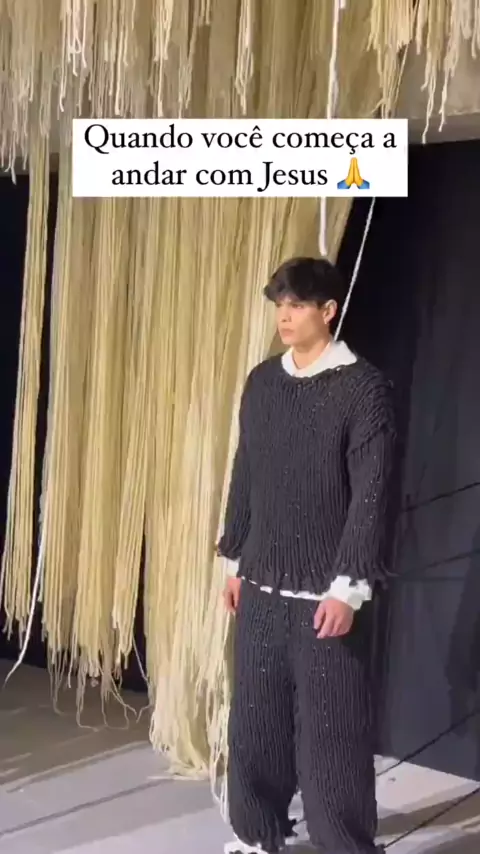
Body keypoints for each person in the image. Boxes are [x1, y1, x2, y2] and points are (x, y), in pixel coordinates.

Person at [217, 256, 397, 854]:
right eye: (279, 305)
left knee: (332, 736)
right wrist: (235, 560)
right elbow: (247, 473)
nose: (285, 317)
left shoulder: (363, 389)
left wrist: (348, 587)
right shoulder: (262, 383)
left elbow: (372, 494)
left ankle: (343, 844)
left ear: (328, 310)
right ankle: (257, 833)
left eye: (296, 305)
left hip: (326, 594)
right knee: (256, 723)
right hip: (261, 585)